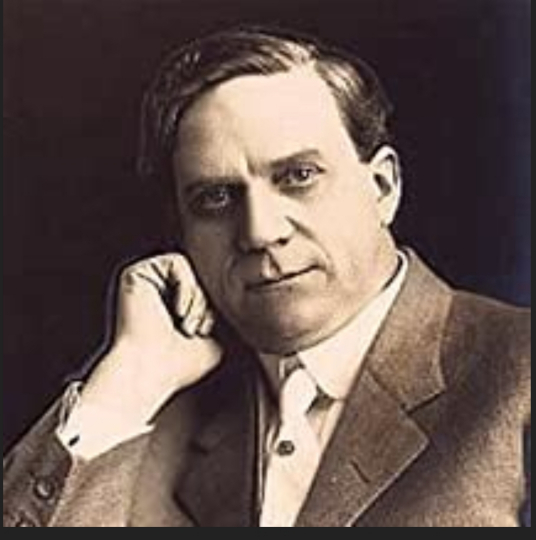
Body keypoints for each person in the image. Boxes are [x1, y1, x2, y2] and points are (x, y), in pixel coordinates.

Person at [3, 27, 531, 527]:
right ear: (182, 233)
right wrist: (130, 379)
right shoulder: (148, 424)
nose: (259, 231)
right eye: (216, 198)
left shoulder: (518, 374)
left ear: (383, 188)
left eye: (299, 176)